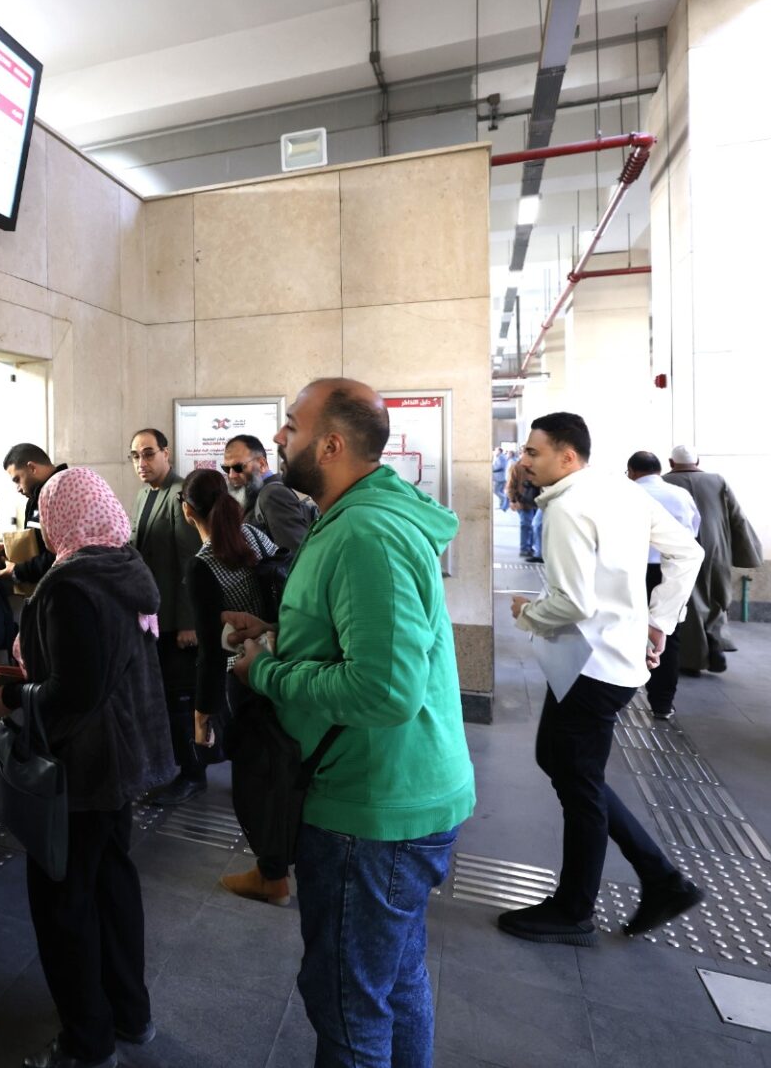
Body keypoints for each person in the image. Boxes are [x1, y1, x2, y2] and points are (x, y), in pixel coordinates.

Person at [226, 379, 475, 1066]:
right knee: (392, 981)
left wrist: (265, 673)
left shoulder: (366, 533)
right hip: (386, 795)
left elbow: (384, 690)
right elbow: (355, 637)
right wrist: (278, 635)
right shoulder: (350, 518)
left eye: (291, 425)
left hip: (372, 811)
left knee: (348, 1004)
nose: (280, 437)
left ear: (331, 444)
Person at [0, 467, 175, 1068]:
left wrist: (12, 698)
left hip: (83, 769)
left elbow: (73, 691)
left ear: (62, 517)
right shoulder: (123, 567)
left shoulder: (71, 585)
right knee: (113, 886)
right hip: (122, 760)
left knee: (64, 904)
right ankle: (130, 1015)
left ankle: (87, 1043)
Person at [501, 413, 706, 949]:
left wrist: (527, 613)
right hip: (607, 662)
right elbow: (689, 551)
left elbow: (572, 602)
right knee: (563, 763)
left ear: (567, 457)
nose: (525, 460)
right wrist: (660, 620)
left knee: (579, 782)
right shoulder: (621, 490)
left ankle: (578, 909)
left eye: (534, 452)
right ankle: (660, 879)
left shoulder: (568, 507)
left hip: (589, 665)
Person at [179, 468, 289, 906]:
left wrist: (202, 712)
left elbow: (211, 650)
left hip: (242, 676)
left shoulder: (203, 565)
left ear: (188, 512)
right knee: (280, 766)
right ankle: (280, 863)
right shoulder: (257, 538)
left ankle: (271, 873)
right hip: (282, 661)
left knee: (251, 775)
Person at [129, 427, 205, 806]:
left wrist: (189, 621)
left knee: (180, 701)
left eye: (148, 454)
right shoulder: (144, 494)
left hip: (177, 620)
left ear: (166, 453)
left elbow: (191, 562)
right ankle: (171, 765)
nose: (141, 463)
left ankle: (193, 774)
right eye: (135, 456)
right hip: (154, 617)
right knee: (162, 697)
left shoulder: (178, 494)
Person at [663, 446, 762, 673]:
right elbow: (737, 516)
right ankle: (717, 643)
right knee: (718, 597)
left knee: (691, 602)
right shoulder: (718, 481)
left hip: (681, 550)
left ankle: (694, 659)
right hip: (718, 548)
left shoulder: (664, 482)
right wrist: (748, 551)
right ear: (697, 461)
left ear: (671, 462)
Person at [626, 451, 702, 719]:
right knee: (667, 635)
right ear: (660, 469)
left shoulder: (628, 493)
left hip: (633, 570)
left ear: (632, 471)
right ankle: (662, 703)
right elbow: (693, 531)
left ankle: (621, 692)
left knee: (625, 628)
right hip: (672, 570)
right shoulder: (681, 495)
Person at [221, 433, 315, 554]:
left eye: (238, 467)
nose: (231, 475)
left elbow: (295, 554)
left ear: (261, 464)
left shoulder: (273, 495)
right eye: (226, 469)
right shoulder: (252, 494)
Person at [0, 443, 67, 586]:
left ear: (32, 468)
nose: (18, 488)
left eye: (17, 479)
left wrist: (18, 571)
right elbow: (39, 543)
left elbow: (63, 554)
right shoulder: (36, 498)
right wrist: (13, 548)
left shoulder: (62, 492)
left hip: (65, 589)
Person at [507, 452, 542, 561]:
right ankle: (525, 548)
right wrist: (513, 500)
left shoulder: (538, 466)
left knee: (534, 525)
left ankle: (531, 548)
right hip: (523, 501)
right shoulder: (517, 467)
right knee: (527, 524)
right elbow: (511, 485)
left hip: (537, 501)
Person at [492, 445, 510, 512]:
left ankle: (505, 499)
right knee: (501, 491)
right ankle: (502, 505)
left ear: (499, 451)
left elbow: (500, 466)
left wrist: (492, 468)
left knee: (496, 491)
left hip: (500, 477)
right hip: (500, 477)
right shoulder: (499, 457)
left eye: (496, 450)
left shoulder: (501, 457)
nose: (495, 452)